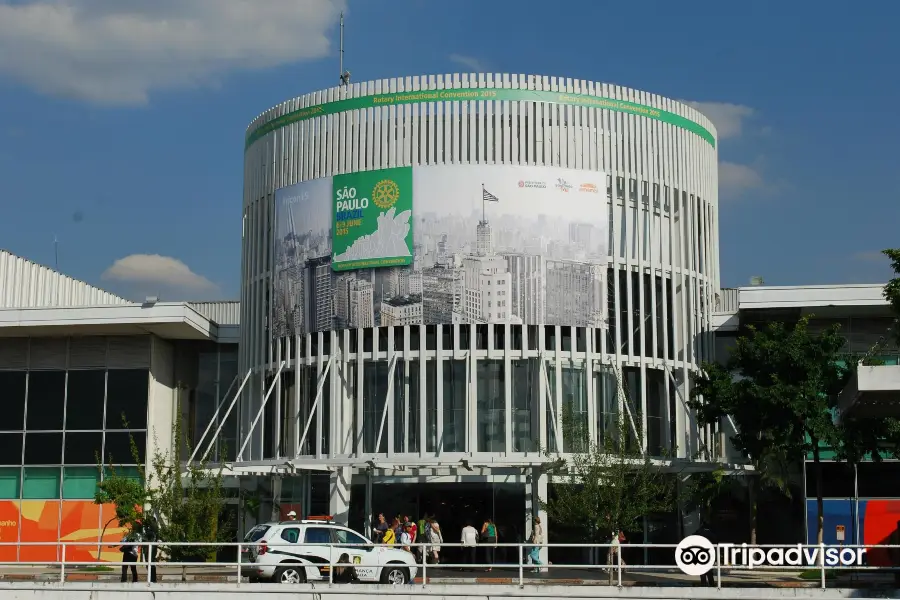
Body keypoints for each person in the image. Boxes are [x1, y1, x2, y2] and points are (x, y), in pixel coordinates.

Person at [696, 520, 717, 587]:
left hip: (701, 553)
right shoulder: (712, 533)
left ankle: (703, 583)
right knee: (710, 570)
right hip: (710, 553)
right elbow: (716, 543)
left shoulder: (699, 532)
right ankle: (712, 583)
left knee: (702, 570)